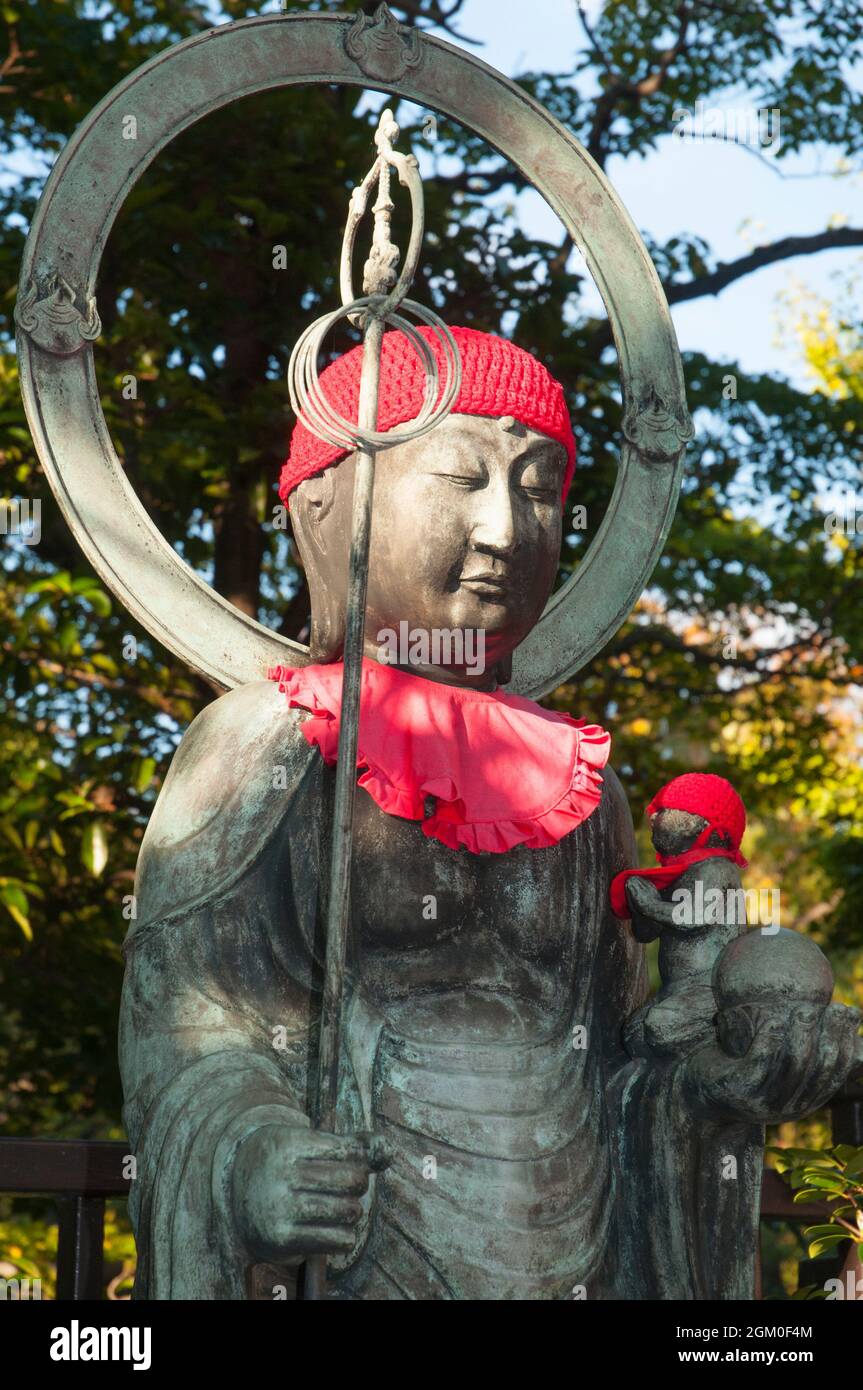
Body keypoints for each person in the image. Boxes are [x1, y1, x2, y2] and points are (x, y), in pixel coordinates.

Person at [119, 326, 861, 1300]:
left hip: (578, 1256)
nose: (507, 531)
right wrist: (249, 1153)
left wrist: (708, 1085)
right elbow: (189, 1026)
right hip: (361, 1255)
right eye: (461, 478)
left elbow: (612, 1064)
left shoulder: (576, 781)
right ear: (328, 503)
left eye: (539, 488)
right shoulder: (267, 739)